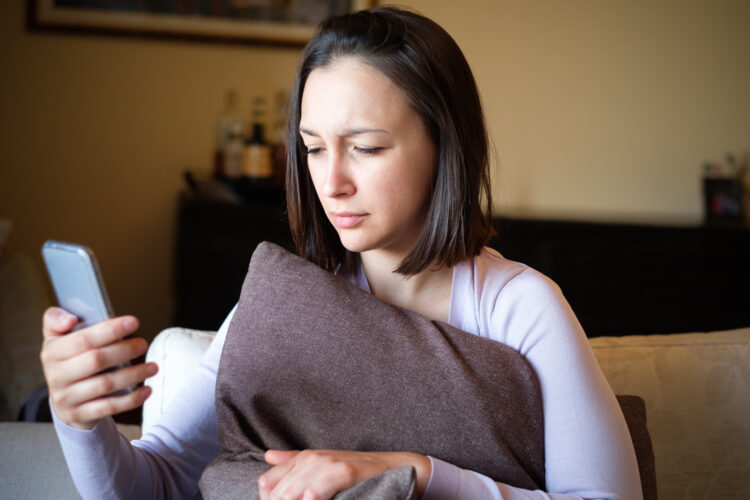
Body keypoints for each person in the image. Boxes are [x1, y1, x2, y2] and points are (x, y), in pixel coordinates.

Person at [40, 7, 642, 500]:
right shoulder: (284, 306)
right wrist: (80, 421)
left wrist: (414, 472)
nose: (331, 183)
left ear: (445, 144)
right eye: (312, 148)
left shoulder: (520, 307)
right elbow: (159, 484)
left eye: (367, 148)